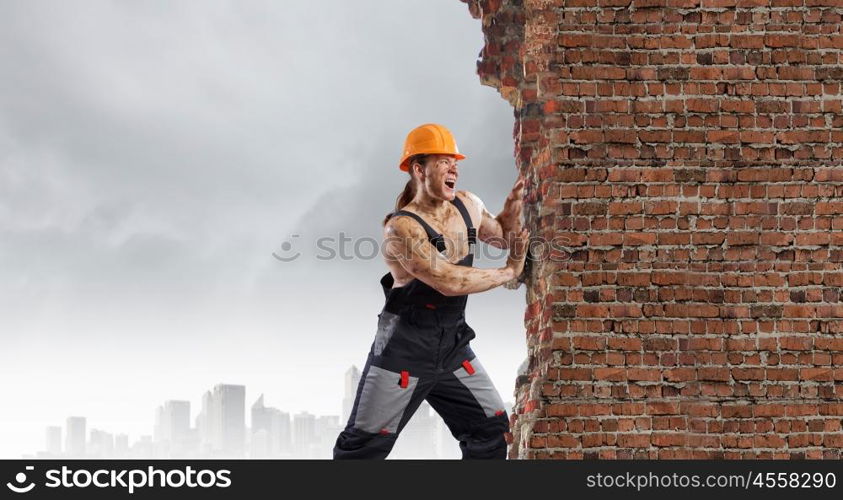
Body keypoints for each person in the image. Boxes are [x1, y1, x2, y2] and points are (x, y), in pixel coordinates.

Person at [332, 123, 529, 459]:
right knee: (360, 450)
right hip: (402, 352)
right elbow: (447, 281)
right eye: (443, 161)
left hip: (452, 347)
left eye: (455, 161)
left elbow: (501, 239)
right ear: (418, 170)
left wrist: (512, 209)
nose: (454, 168)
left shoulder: (468, 205)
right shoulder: (402, 227)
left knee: (494, 431)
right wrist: (510, 271)